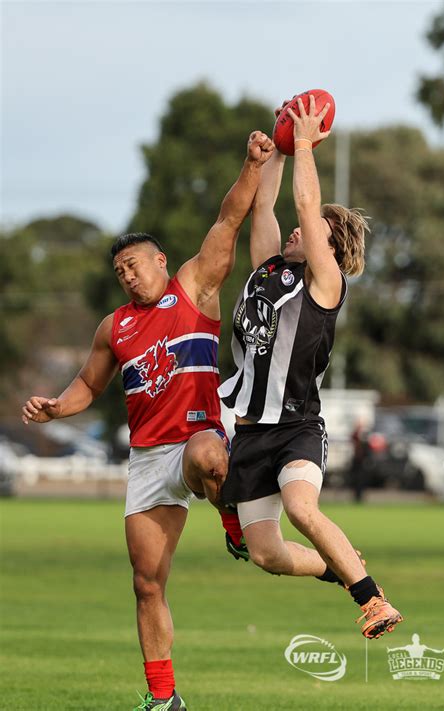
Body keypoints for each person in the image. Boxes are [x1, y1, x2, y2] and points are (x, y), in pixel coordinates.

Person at [21, 129, 274, 711]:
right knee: (146, 583)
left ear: (161, 260)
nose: (128, 276)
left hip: (195, 438)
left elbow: (228, 220)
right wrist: (58, 405)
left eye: (134, 264)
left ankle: (232, 521)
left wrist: (252, 164)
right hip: (147, 460)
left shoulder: (192, 289)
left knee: (210, 456)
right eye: (120, 271)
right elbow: (88, 384)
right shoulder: (115, 327)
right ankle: (164, 698)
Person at [219, 96, 403, 640]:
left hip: (297, 426)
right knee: (267, 555)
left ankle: (372, 601)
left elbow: (304, 206)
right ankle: (341, 564)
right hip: (250, 432)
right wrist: (273, 151)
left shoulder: (326, 284)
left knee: (301, 508)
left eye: (313, 228)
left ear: (328, 243)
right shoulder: (269, 269)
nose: (299, 230)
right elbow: (265, 208)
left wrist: (303, 142)